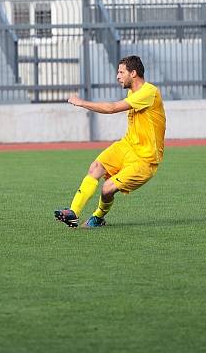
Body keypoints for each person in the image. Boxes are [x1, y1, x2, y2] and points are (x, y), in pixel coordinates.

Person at [55, 55, 166, 228]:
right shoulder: (133, 92)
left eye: (121, 72)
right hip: (127, 145)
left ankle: (98, 217)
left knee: (107, 189)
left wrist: (81, 102)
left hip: (145, 159)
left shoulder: (148, 92)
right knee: (95, 167)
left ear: (134, 73)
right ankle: (73, 212)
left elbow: (111, 108)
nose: (118, 76)